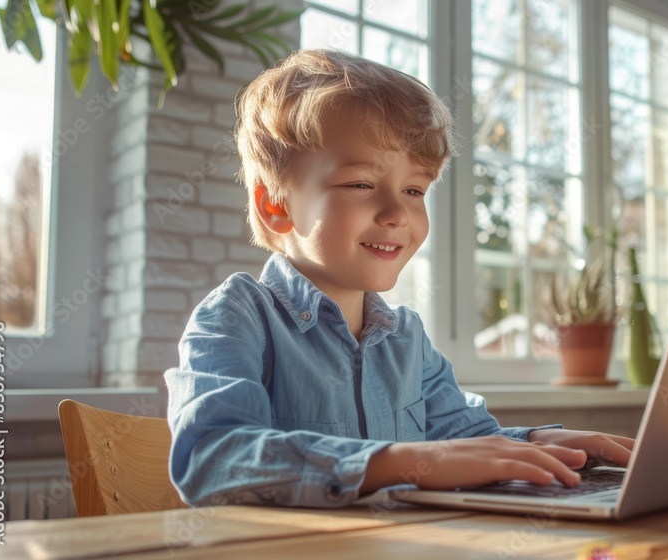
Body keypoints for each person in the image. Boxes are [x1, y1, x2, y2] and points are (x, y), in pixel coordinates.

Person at [164, 49, 635, 509]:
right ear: (276, 205)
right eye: (361, 184)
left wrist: (542, 441)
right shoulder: (238, 315)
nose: (397, 214)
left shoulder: (406, 339)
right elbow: (211, 458)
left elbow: (463, 441)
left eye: (414, 190)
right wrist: (401, 460)